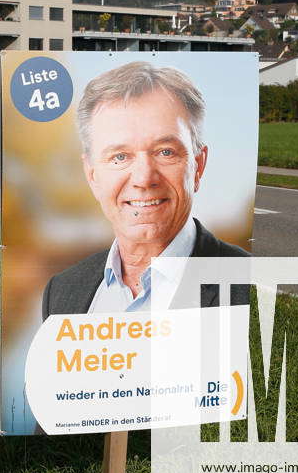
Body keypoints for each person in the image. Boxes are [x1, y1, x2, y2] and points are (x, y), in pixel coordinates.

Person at [41, 61, 249, 321]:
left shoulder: (248, 283)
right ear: (92, 174)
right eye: (120, 156)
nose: (143, 178)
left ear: (198, 165)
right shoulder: (61, 292)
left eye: (165, 152)